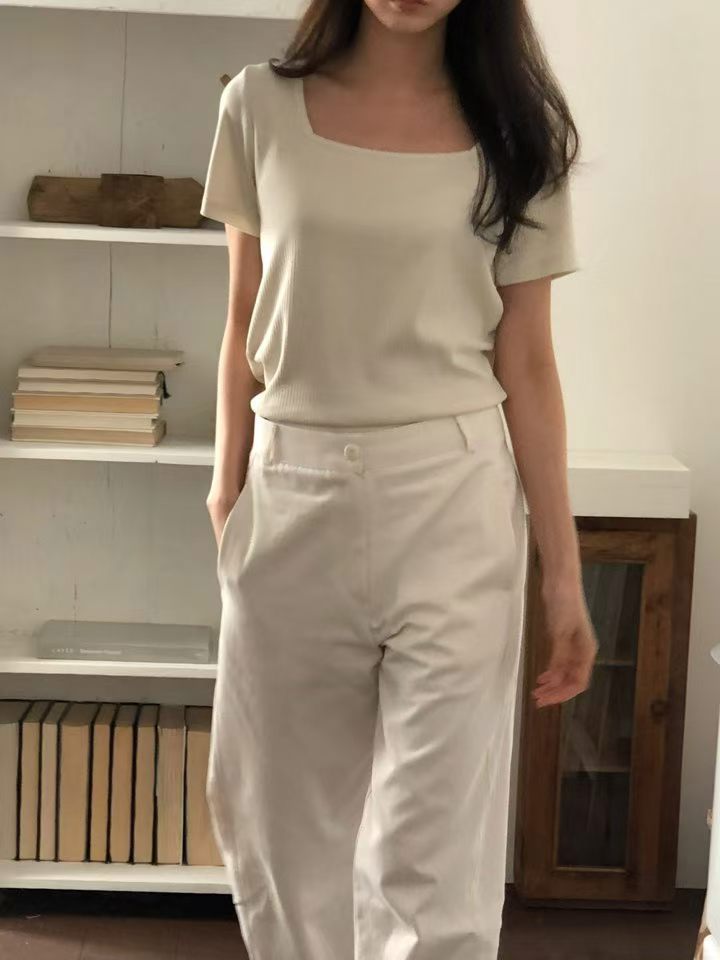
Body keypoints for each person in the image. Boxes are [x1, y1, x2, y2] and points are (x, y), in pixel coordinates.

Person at [199, 1, 598, 957]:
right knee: (282, 829)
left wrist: (563, 574)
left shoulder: (521, 132)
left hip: (453, 495)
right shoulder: (257, 106)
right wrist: (227, 484)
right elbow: (244, 312)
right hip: (292, 488)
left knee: (436, 844)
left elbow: (528, 362)